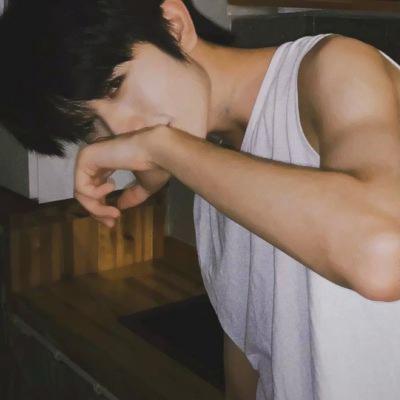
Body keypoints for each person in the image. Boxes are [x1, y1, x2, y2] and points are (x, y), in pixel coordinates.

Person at [2, 1, 400, 399]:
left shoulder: (334, 68)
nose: (122, 131)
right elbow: (249, 361)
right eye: (92, 125)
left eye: (115, 85)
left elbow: (383, 257)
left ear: (172, 24)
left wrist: (163, 147)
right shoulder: (211, 190)